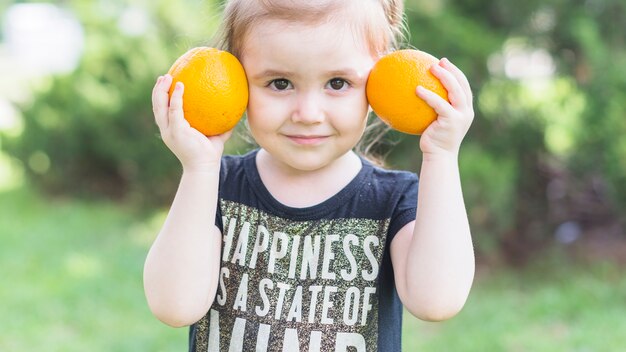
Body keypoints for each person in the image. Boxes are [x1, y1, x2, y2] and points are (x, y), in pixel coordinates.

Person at [144, 0, 475, 350]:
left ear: (380, 80)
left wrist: (441, 156)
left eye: (337, 82)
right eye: (280, 83)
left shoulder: (394, 200)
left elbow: (437, 300)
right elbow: (174, 306)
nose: (308, 113)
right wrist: (199, 169)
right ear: (236, 79)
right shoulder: (214, 186)